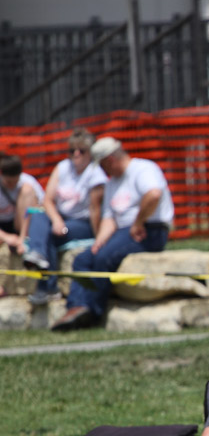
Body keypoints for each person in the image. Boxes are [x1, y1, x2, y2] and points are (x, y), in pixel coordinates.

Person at [51, 137, 173, 330]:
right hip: (124, 231)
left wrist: (139, 222)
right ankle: (76, 308)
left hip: (150, 230)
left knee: (103, 259)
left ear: (110, 160)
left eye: (103, 166)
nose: (103, 171)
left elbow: (153, 195)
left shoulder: (143, 169)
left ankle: (93, 312)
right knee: (83, 259)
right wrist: (98, 241)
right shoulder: (113, 183)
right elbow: (109, 218)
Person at [21, 129, 108, 306]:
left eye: (81, 150)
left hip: (84, 223)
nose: (76, 154)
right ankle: (37, 254)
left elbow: (94, 210)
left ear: (90, 153)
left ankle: (47, 287)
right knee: (37, 213)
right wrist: (57, 220)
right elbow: (47, 200)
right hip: (62, 218)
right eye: (72, 150)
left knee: (52, 236)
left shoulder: (96, 174)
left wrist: (99, 238)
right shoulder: (62, 167)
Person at [0, 153, 44, 298]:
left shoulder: (27, 182)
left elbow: (38, 209)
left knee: (27, 191)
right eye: (8, 183)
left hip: (21, 223)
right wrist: (6, 237)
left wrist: (21, 238)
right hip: (3, 226)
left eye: (15, 182)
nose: (12, 186)